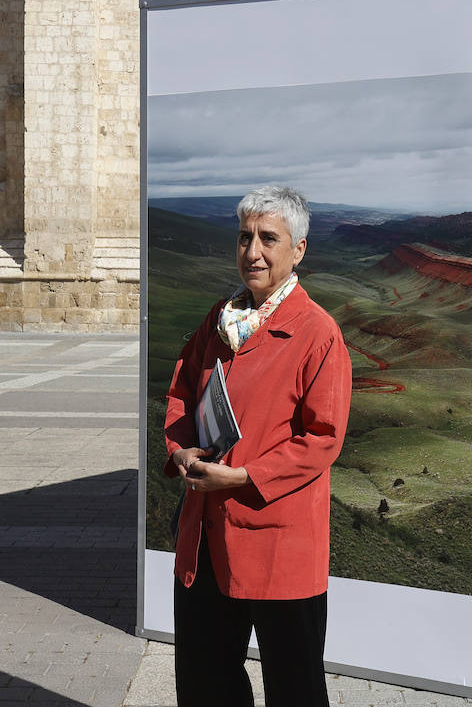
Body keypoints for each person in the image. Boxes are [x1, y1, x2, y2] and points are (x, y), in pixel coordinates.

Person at [163, 185, 352, 707]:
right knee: (207, 684)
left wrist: (244, 477)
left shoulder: (317, 334)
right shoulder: (217, 322)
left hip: (279, 545)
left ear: (299, 250)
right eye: (245, 237)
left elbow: (323, 439)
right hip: (205, 537)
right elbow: (181, 394)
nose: (253, 251)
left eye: (269, 238)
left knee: (294, 689)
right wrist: (180, 451)